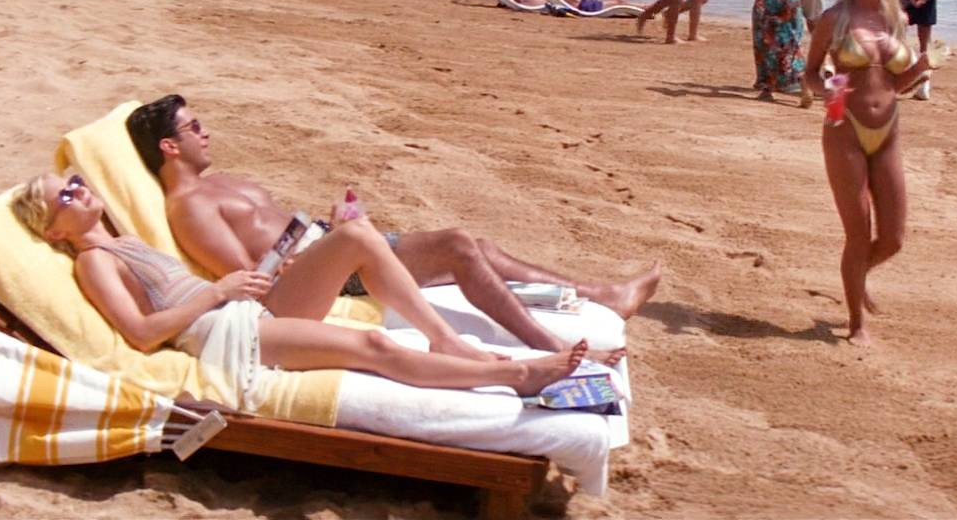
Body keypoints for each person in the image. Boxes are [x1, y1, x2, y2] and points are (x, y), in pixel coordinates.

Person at [127, 95, 661, 353]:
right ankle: (549, 346)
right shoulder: (191, 206)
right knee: (458, 246)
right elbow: (254, 278)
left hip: (327, 251)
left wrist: (330, 228)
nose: (206, 132)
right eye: (195, 127)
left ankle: (602, 294)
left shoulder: (219, 182)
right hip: (310, 282)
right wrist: (330, 245)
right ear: (169, 146)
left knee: (478, 247)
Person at [8, 172, 592, 394]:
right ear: (55, 231)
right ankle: (515, 376)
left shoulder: (124, 241)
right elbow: (140, 334)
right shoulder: (93, 262)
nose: (80, 190)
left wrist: (253, 280)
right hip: (223, 336)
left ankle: (443, 338)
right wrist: (218, 291)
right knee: (373, 345)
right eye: (66, 196)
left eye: (76, 181)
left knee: (357, 235)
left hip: (245, 310)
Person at [803, 0, 941, 346]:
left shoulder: (894, 17)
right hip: (843, 128)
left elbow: (895, 83)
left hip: (888, 132)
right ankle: (856, 322)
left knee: (894, 238)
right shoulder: (834, 18)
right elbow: (810, 72)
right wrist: (825, 88)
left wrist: (922, 66)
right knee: (859, 235)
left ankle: (857, 275)